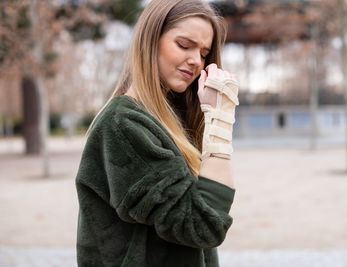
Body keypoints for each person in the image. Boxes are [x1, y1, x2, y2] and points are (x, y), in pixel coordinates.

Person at [75, 0, 239, 266]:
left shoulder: (167, 121)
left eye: (204, 53)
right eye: (184, 45)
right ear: (150, 40)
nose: (196, 60)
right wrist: (221, 122)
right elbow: (203, 226)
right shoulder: (124, 124)